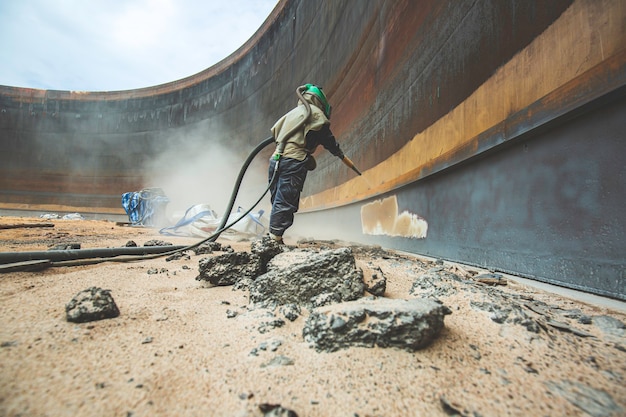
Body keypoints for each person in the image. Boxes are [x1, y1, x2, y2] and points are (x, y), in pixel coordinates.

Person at [267, 84, 345, 243]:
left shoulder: (293, 114)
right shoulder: (315, 114)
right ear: (320, 102)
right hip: (293, 161)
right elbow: (326, 138)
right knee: (286, 198)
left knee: (277, 198)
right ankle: (274, 239)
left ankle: (274, 236)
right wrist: (338, 152)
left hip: (275, 159)